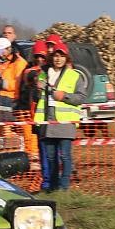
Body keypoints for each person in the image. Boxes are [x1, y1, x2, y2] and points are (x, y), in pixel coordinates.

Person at [32, 36, 88, 192]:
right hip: (47, 123)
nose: (58, 59)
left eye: (61, 56)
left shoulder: (74, 75)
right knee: (50, 158)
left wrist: (64, 96)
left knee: (65, 156)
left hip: (65, 123)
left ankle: (64, 187)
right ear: (51, 57)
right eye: (56, 55)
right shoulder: (43, 73)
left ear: (66, 58)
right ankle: (53, 188)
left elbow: (81, 97)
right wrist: (37, 89)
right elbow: (36, 98)